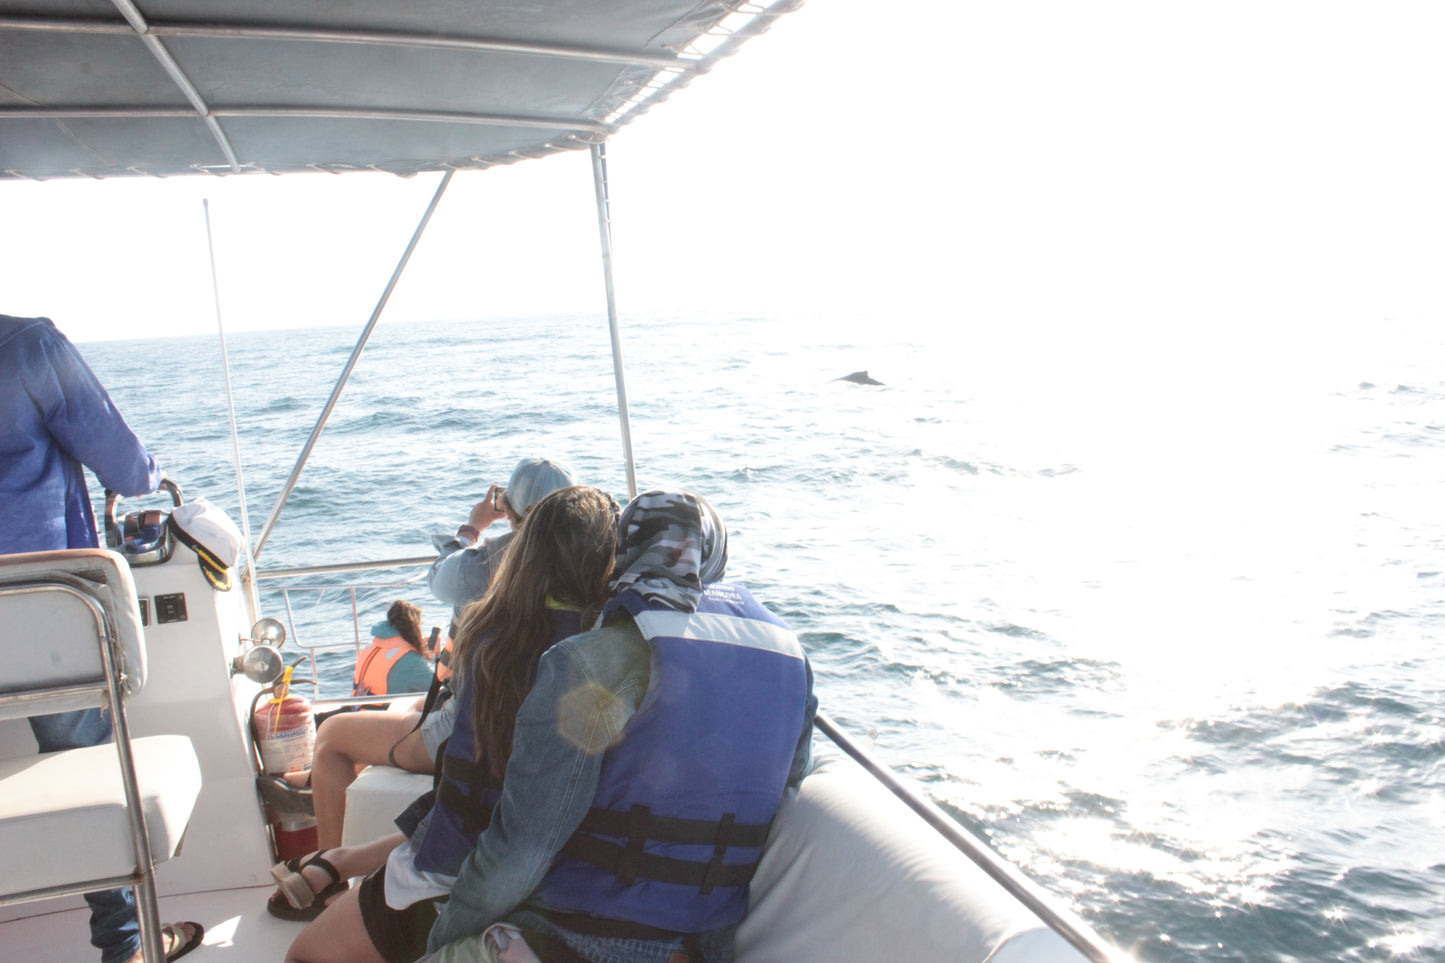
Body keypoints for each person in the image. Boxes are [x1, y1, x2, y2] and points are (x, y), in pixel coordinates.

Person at [282, 485, 621, 963]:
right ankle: (339, 863)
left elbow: (468, 791)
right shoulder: (619, 652)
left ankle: (333, 864)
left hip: (447, 877)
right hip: (567, 887)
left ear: (527, 548)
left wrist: (472, 528)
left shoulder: (491, 640)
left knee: (304, 955)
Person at [0, 313, 203, 963]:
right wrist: (149, 472)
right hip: (40, 615)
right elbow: (123, 463)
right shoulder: (28, 346)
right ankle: (127, 942)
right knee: (83, 760)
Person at [429, 456, 578, 660]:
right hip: (571, 671)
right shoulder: (598, 556)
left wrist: (470, 530)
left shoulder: (483, 564)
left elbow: (438, 579)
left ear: (506, 507)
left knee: (466, 604)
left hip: (503, 676)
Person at [353, 600, 435, 703]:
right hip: (387, 717)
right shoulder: (412, 662)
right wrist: (434, 657)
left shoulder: (371, 647)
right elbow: (440, 687)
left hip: (361, 712)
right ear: (415, 627)